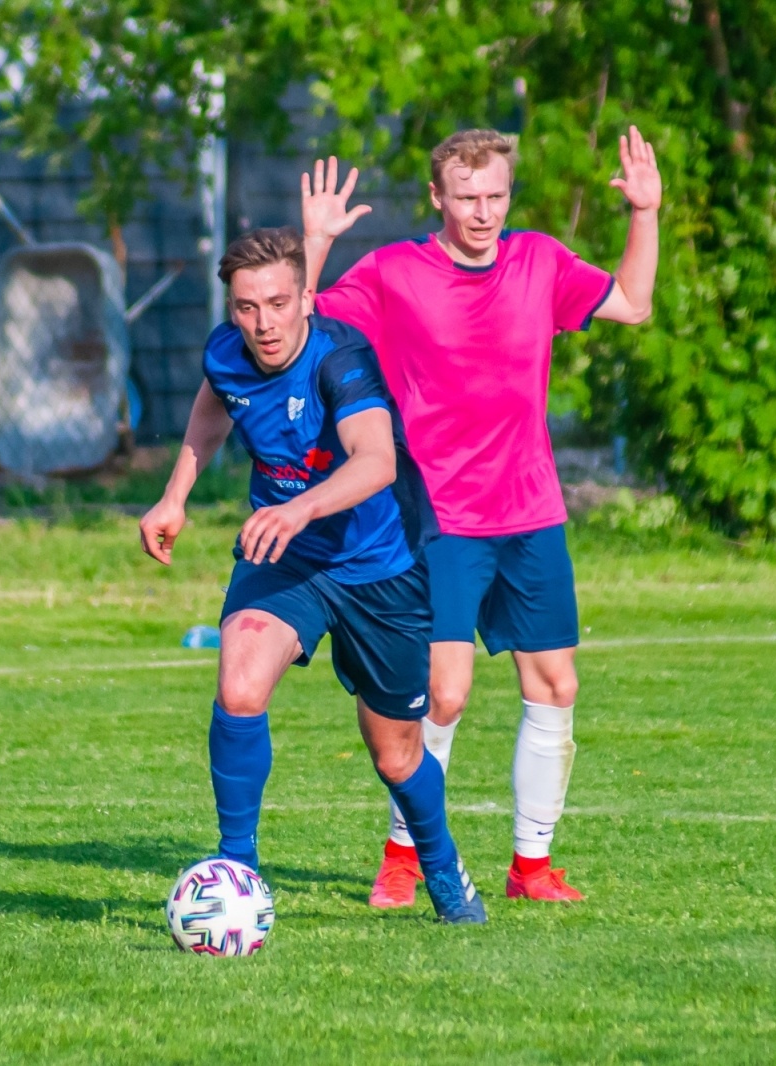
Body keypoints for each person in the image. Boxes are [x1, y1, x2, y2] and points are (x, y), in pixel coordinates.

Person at [299, 127, 662, 905]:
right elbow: (297, 325)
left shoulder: (538, 260)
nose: (483, 211)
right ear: (437, 197)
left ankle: (531, 867)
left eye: (495, 195)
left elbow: (632, 303)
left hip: (531, 510)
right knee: (445, 695)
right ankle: (406, 855)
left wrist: (645, 213)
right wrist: (315, 241)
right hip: (439, 516)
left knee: (555, 685)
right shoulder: (395, 272)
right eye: (466, 197)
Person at [139, 227, 485, 923]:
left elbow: (375, 462)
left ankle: (444, 868)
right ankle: (237, 869)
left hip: (379, 570)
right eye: (245, 307)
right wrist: (176, 493)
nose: (262, 323)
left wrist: (297, 509)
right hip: (287, 559)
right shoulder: (227, 353)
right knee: (238, 684)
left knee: (395, 754)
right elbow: (215, 405)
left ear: (305, 297)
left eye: (275, 303)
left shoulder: (342, 360)